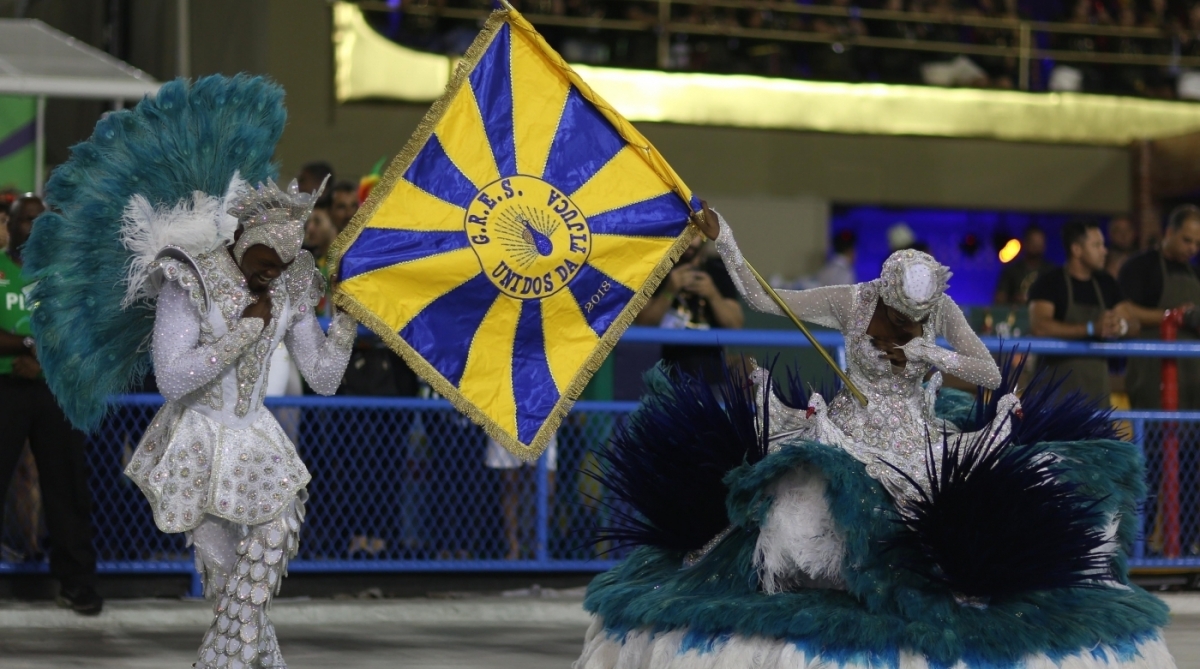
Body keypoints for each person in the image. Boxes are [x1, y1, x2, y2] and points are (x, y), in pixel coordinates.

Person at [573, 203, 1173, 667]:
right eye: (900, 315)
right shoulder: (851, 301)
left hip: (916, 434)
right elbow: (761, 297)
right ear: (882, 291)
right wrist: (725, 238)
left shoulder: (939, 313)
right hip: (850, 427)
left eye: (918, 316)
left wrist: (926, 351)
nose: (907, 322)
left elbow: (988, 372)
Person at [24, 76, 357, 668]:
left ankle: (221, 662)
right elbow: (171, 378)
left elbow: (325, 377)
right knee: (231, 587)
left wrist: (350, 320)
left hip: (257, 441)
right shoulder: (190, 277)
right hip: (198, 439)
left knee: (267, 554)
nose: (271, 275)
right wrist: (243, 333)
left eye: (283, 266)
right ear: (241, 241)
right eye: (263, 262)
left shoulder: (288, 286)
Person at [0, 195, 101, 615]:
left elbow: (79, 333)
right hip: (6, 388)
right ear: (10, 224)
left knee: (67, 488)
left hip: (55, 391)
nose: (34, 228)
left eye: (42, 221)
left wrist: (39, 352)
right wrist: (31, 344)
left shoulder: (62, 277)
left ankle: (78, 584)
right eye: (26, 220)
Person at [1028, 220, 1139, 407]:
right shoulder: (1049, 282)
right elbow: (1039, 326)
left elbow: (1134, 324)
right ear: (1077, 250)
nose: (1104, 251)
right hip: (1053, 401)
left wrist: (1120, 326)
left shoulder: (1106, 283)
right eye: (1096, 245)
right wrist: (1091, 328)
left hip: (1096, 398)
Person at [1119, 204, 1200, 411]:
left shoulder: (1196, 274)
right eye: (1187, 240)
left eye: (1197, 244)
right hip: (1150, 373)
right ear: (1170, 232)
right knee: (1153, 437)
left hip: (1192, 376)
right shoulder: (1140, 266)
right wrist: (1173, 316)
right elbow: (1125, 309)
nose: (1192, 249)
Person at [634, 234, 743, 381]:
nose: (690, 240)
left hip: (712, 373)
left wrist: (712, 294)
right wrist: (669, 290)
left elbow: (735, 324)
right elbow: (643, 322)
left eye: (695, 233)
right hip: (666, 373)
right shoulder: (657, 269)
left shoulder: (718, 270)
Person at [994, 225, 1055, 304]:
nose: (1036, 247)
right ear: (1026, 243)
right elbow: (1000, 298)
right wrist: (1014, 299)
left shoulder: (1051, 271)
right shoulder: (1012, 270)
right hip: (1017, 314)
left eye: (1039, 243)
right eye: (1034, 243)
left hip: (1043, 314)